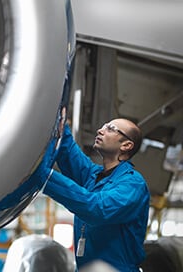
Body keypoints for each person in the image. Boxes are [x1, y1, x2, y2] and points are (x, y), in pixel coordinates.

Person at [42, 110, 150, 272]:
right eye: (103, 127)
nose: (100, 130)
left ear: (126, 145)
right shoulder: (93, 176)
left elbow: (97, 208)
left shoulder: (133, 184)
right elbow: (66, 149)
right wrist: (58, 116)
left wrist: (42, 177)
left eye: (111, 128)